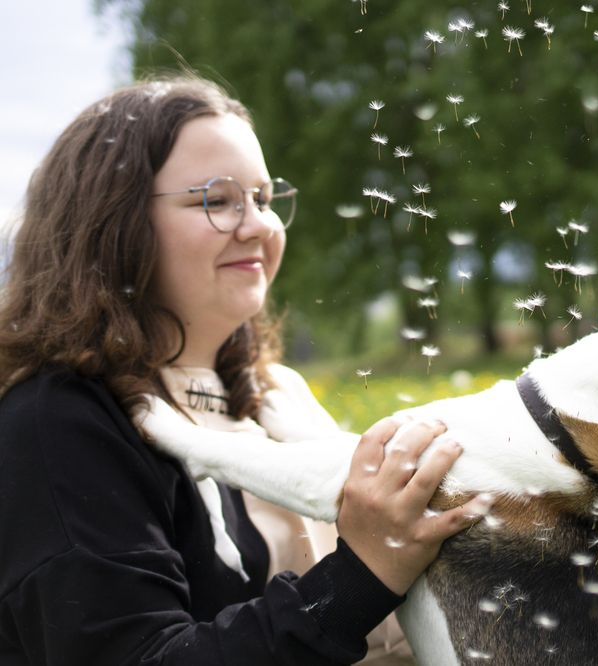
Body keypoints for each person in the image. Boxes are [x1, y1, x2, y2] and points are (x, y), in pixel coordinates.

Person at [0, 75, 491, 665]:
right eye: (217, 199)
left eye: (262, 198)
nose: (259, 225)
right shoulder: (58, 422)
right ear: (113, 223)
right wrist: (360, 576)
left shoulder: (275, 398)